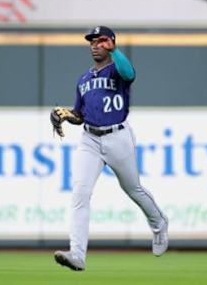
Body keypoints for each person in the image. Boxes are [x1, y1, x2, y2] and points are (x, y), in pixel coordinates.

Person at [50, 26, 169, 272]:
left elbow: (129, 73)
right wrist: (63, 115)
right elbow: (79, 115)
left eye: (100, 40)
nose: (95, 44)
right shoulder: (83, 79)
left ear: (111, 43)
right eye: (92, 41)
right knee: (80, 193)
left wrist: (115, 51)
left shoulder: (118, 69)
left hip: (118, 136)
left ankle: (159, 223)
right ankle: (77, 255)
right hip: (90, 139)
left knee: (133, 189)